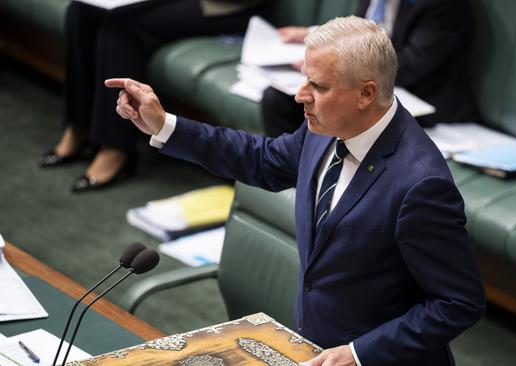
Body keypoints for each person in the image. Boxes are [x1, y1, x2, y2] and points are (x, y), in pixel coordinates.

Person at [108, 16, 485, 365]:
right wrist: (165, 125)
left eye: (318, 86)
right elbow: (261, 160)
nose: (300, 95)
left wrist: (358, 354)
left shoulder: (421, 184)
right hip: (311, 351)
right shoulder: (324, 131)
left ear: (366, 94)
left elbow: (458, 302)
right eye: (306, 79)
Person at [38, 0, 267, 192]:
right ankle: (79, 127)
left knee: (120, 25)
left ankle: (115, 147)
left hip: (225, 5)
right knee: (81, 10)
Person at [261, 0, 477, 137]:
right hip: (364, 80)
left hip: (417, 96)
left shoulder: (445, 4)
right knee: (278, 99)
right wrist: (311, 34)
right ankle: (296, 185)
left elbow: (412, 64)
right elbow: (358, 35)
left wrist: (331, 65)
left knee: (334, 105)